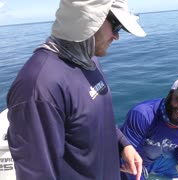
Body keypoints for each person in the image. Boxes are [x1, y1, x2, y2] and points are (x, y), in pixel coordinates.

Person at [6, 0, 146, 179]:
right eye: (117, 27)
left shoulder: (88, 60)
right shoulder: (38, 87)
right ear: (89, 21)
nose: (117, 37)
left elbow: (96, 117)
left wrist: (123, 144)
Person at [120, 75, 178, 180]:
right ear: (170, 95)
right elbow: (129, 161)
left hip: (158, 160)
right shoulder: (142, 115)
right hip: (128, 161)